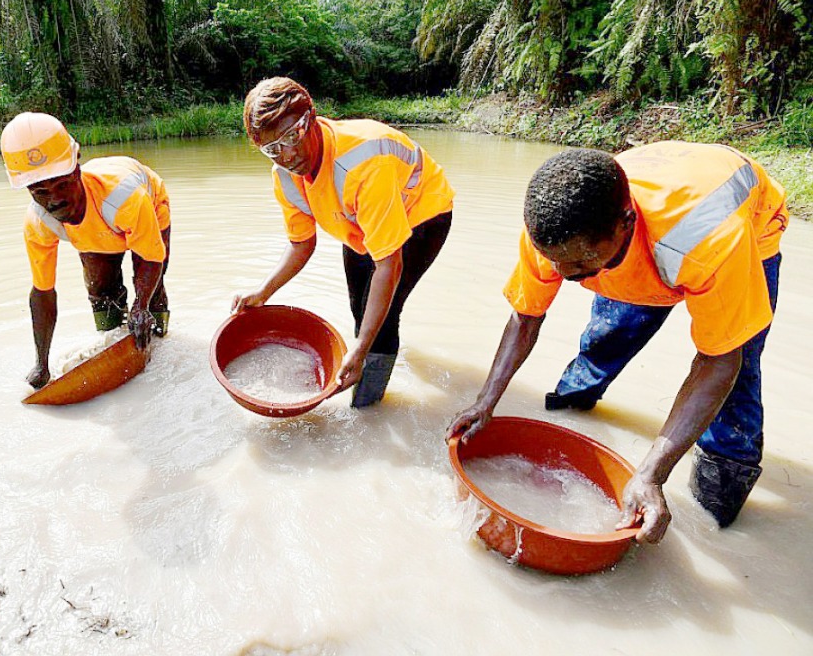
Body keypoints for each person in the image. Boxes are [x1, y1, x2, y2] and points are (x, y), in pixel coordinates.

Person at [447, 142, 788, 543]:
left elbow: (719, 361)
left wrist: (651, 474)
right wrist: (486, 400)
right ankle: (573, 402)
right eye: (553, 259)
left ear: (625, 224)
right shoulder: (556, 228)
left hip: (744, 226)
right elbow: (526, 316)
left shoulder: (707, 240)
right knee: (611, 331)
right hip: (646, 229)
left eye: (578, 262)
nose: (562, 273)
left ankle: (722, 485)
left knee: (739, 369)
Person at [233, 77, 455, 407]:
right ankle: (371, 351)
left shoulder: (362, 164)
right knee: (360, 308)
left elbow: (388, 264)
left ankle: (366, 410)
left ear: (311, 117)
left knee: (380, 319)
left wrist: (363, 346)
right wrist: (264, 291)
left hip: (422, 211)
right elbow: (300, 244)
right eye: (273, 148)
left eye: (293, 135)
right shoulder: (284, 176)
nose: (289, 154)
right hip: (358, 222)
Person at [0, 112, 170, 389]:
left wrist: (140, 306)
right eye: (40, 191)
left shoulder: (123, 196)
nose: (54, 200)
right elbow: (42, 293)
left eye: (63, 185)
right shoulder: (39, 222)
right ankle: (112, 340)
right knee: (102, 292)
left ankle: (159, 341)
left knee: (152, 292)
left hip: (147, 210)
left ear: (76, 170)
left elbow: (150, 259)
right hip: (98, 232)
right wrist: (41, 364)